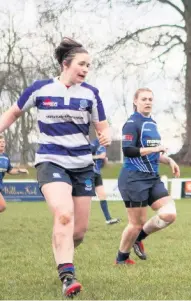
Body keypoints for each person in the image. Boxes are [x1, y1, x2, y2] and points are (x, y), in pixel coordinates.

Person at [0, 37, 111, 297]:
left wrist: (105, 136)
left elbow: (103, 127)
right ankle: (67, 275)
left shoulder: (91, 94)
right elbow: (13, 113)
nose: (86, 69)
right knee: (63, 214)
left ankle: (62, 251)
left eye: (89, 66)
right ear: (65, 64)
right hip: (51, 160)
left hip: (83, 165)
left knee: (79, 231)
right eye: (82, 64)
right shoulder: (40, 89)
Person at [115, 88, 180, 265]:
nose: (148, 102)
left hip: (152, 177)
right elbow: (128, 151)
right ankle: (121, 258)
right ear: (135, 101)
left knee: (169, 214)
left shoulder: (151, 122)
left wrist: (169, 161)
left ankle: (139, 238)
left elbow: (152, 154)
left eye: (151, 99)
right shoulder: (132, 123)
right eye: (144, 99)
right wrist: (154, 149)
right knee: (136, 223)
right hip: (134, 178)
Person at [90, 138, 120, 225]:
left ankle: (108, 219)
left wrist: (104, 161)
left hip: (97, 173)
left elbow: (102, 160)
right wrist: (99, 157)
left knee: (102, 195)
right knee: (85, 198)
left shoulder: (103, 145)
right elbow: (86, 156)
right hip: (90, 173)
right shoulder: (94, 143)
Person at [0, 135, 29, 213]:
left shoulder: (5, 157)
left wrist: (19, 170)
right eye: (0, 142)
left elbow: (9, 170)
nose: (2, 144)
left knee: (2, 207)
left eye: (3, 142)